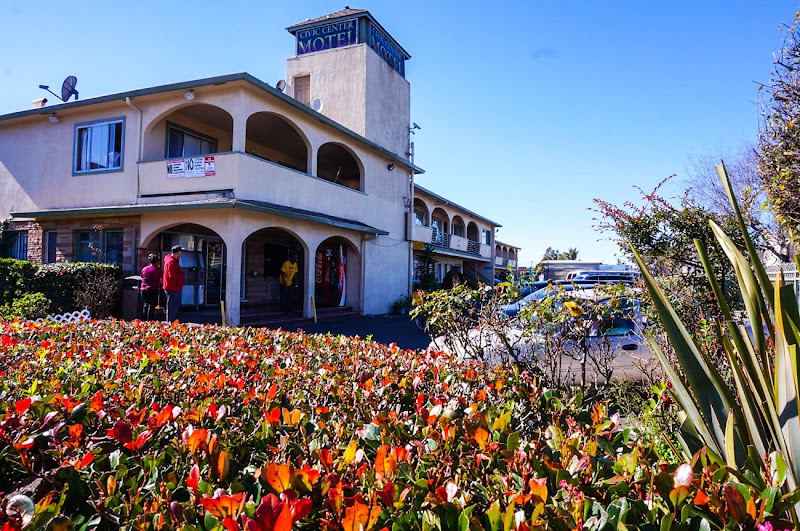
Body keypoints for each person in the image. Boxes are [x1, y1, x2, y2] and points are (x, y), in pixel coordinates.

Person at [163, 245, 186, 322]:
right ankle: (170, 322)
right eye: (180, 252)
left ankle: (171, 321)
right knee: (172, 306)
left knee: (173, 306)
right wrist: (182, 277)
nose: (181, 254)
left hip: (173, 287)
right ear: (177, 253)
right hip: (172, 287)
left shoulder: (172, 261)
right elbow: (172, 275)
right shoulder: (171, 262)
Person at [140, 253, 162, 320]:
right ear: (157, 262)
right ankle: (149, 320)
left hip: (143, 290)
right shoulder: (158, 270)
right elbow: (161, 281)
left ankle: (144, 320)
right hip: (153, 289)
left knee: (146, 304)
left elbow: (141, 276)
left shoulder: (144, 269)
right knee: (152, 306)